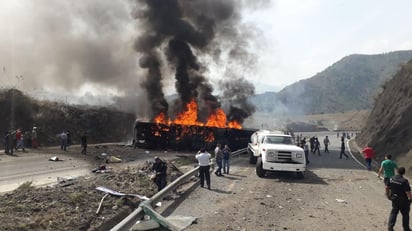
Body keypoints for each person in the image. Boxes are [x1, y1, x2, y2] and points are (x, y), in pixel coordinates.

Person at [386, 167, 411, 231]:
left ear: (397, 171)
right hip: (403, 200)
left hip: (394, 198)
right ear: (404, 173)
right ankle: (406, 228)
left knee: (394, 212)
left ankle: (390, 227)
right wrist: (410, 199)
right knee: (405, 214)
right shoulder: (404, 181)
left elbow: (387, 187)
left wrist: (388, 195)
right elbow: (407, 192)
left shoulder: (391, 178)